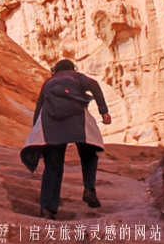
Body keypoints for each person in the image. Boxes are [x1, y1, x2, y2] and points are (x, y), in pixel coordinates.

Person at [20, 59, 111, 220]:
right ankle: (89, 189)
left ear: (55, 71)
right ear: (72, 68)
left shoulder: (48, 83)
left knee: (53, 166)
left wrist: (39, 139)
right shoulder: (76, 77)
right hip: (77, 120)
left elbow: (39, 109)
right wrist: (103, 111)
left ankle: (47, 210)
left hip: (50, 124)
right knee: (88, 152)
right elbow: (94, 85)